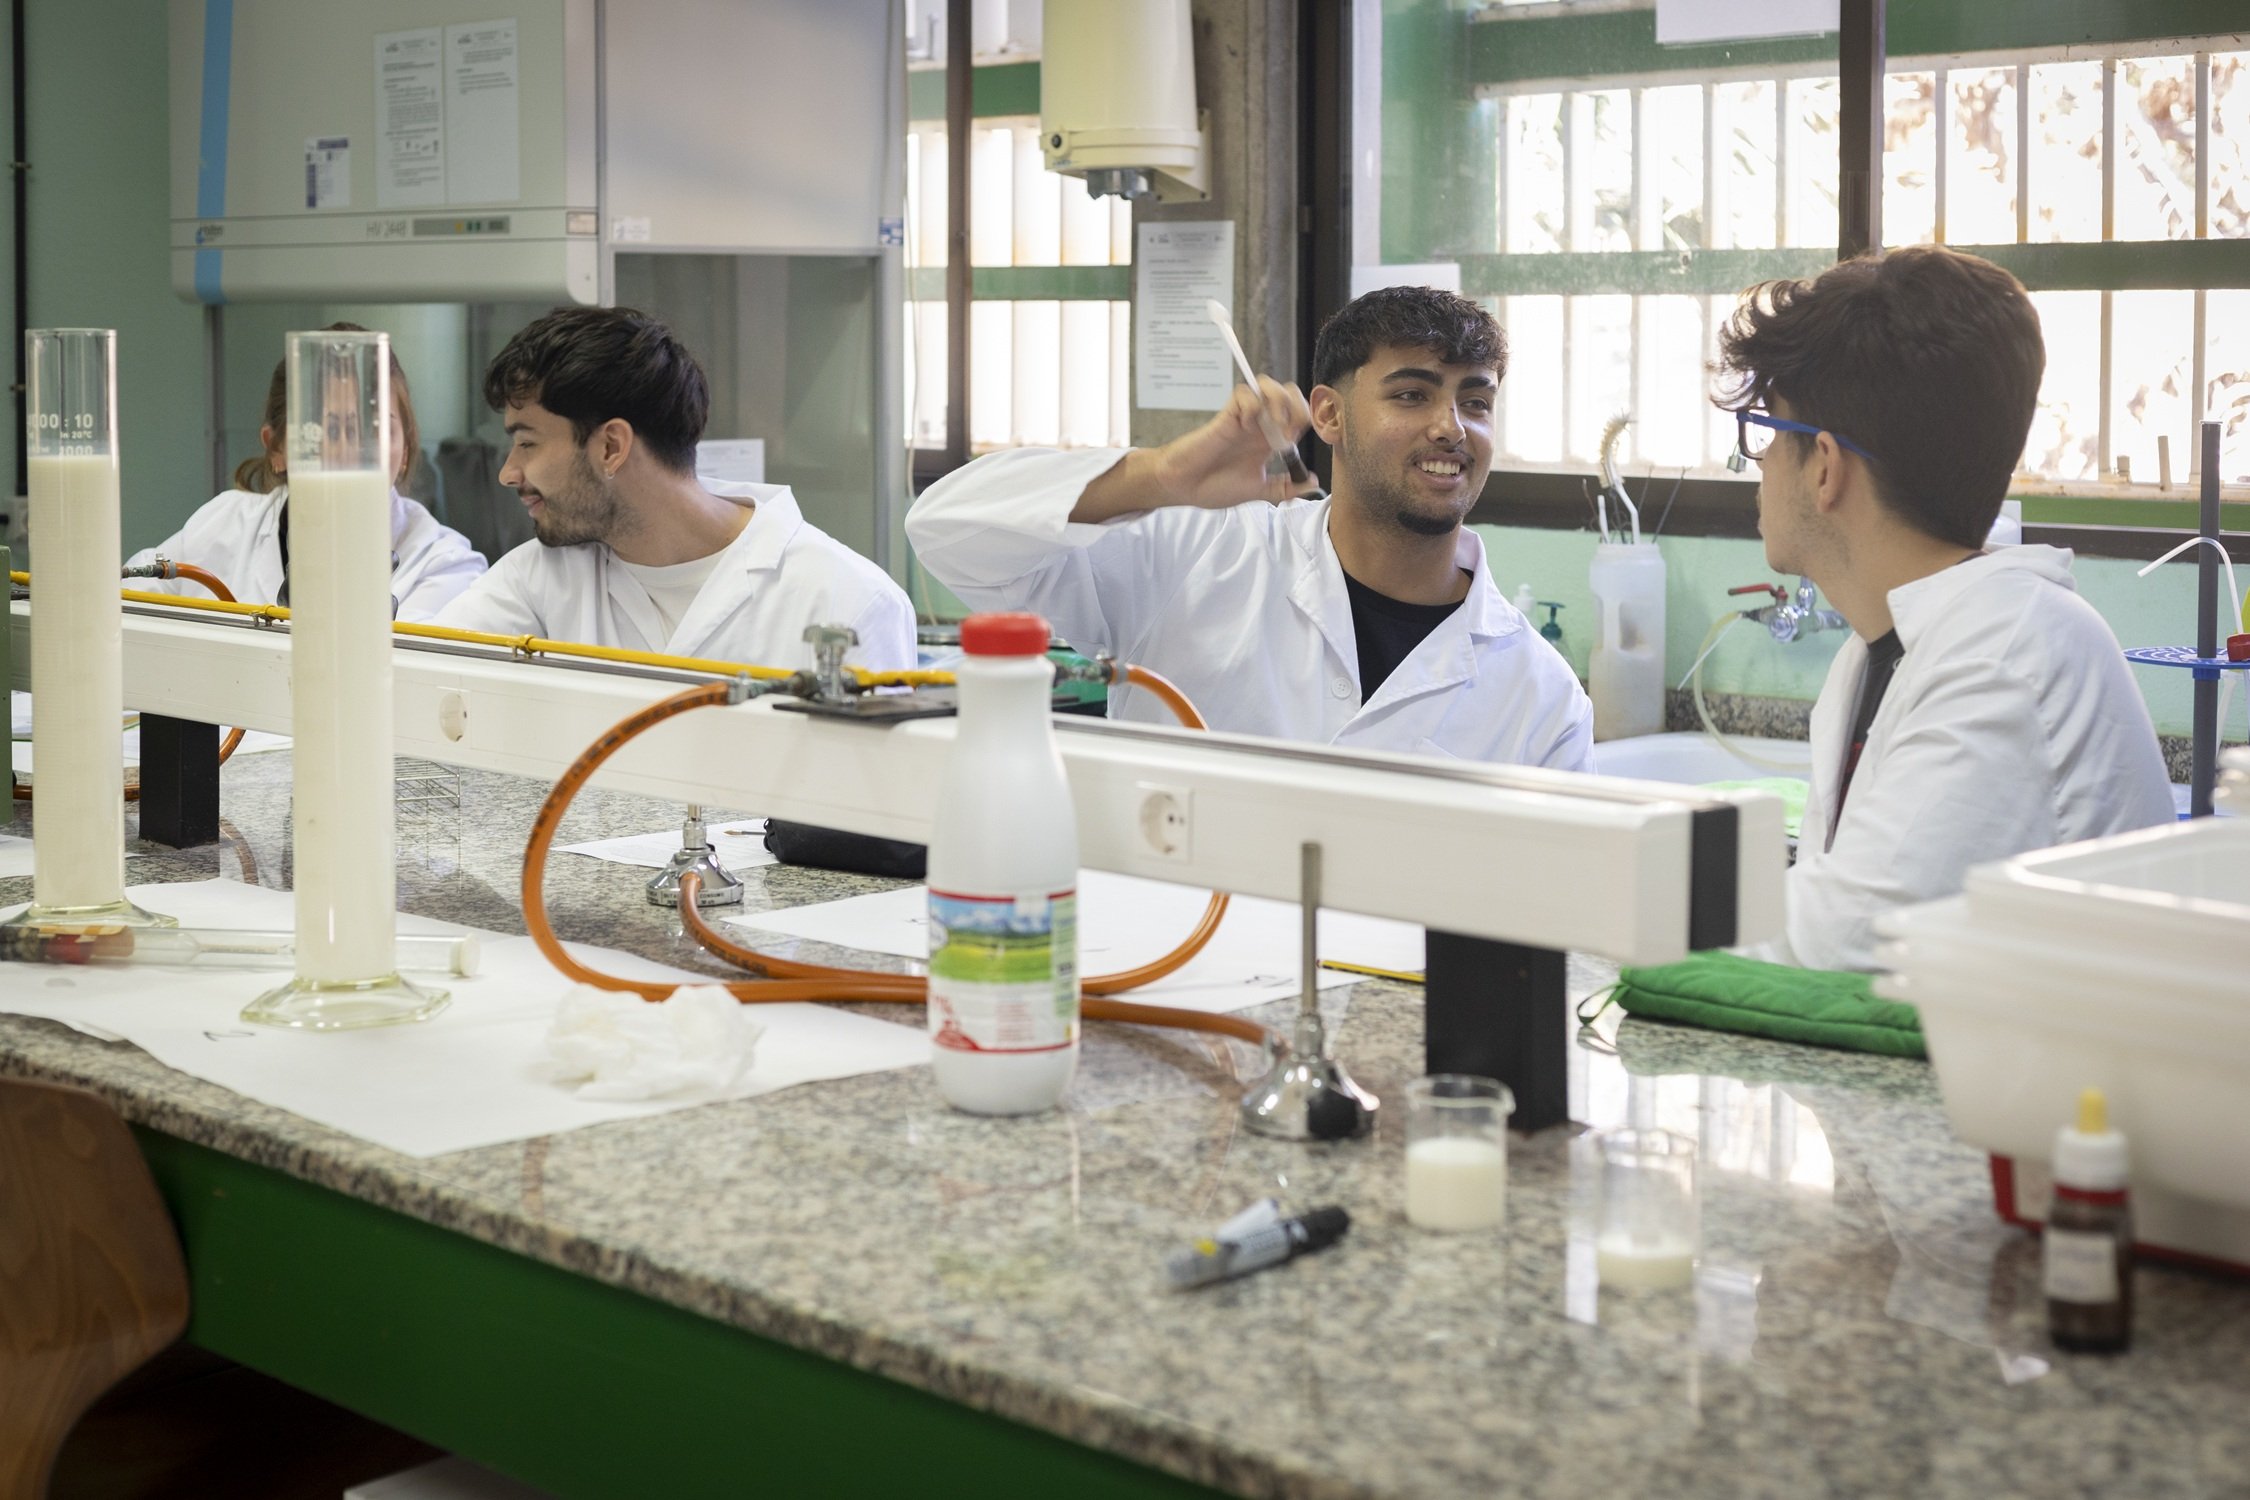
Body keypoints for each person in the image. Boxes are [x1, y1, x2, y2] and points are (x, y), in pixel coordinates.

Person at [1716, 245, 2173, 972]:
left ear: (1826, 467)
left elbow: (1845, 937)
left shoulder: (2008, 652)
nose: (1760, 462)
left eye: (1769, 433)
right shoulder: (1889, 647)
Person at [905, 286, 1591, 768]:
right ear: (1328, 415)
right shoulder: (1201, 554)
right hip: (1169, 939)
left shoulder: (1541, 693)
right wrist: (1161, 475)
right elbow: (946, 528)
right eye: (1411, 395)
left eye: (1476, 402)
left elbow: (1563, 907)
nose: (1451, 427)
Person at [435, 306, 915, 673]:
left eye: (527, 443)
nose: (509, 473)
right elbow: (418, 682)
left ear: (611, 447)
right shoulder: (540, 577)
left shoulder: (849, 601)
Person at [125, 324, 485, 623]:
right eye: (327, 429)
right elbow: (124, 611)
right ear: (277, 449)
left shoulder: (444, 564)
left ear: (405, 450)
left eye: (374, 429)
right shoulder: (222, 524)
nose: (354, 451)